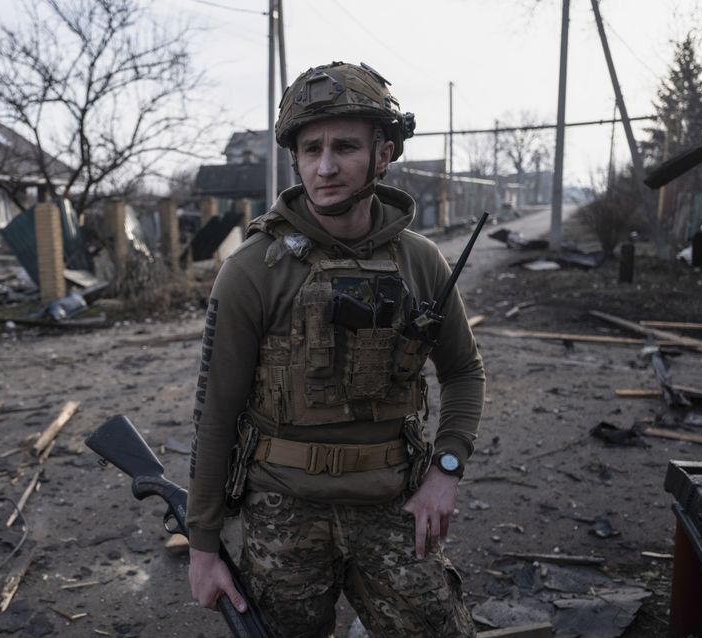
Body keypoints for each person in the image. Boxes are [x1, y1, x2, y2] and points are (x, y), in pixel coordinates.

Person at [187, 61, 485, 637]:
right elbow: (214, 414)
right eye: (309, 148)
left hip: (392, 503)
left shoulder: (420, 261)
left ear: (385, 152)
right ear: (294, 158)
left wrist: (446, 468)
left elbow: (464, 371)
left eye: (345, 146)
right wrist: (203, 546)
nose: (324, 167)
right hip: (284, 512)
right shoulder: (252, 270)